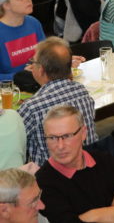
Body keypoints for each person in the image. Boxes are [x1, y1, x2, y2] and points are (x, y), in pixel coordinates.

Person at [35, 104, 114, 223]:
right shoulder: (43, 182)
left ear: (83, 133)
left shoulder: (104, 160)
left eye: (67, 136)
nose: (60, 146)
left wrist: (94, 216)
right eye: (52, 138)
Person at [18, 37, 97, 165]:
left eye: (33, 62)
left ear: (41, 69)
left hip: (50, 177)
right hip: (87, 166)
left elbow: (12, 143)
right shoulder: (81, 91)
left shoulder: (31, 107)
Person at [0, 0, 44, 84]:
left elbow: (45, 55)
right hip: (9, 89)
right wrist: (20, 76)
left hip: (36, 83)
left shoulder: (33, 23)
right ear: (6, 5)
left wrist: (63, 61)